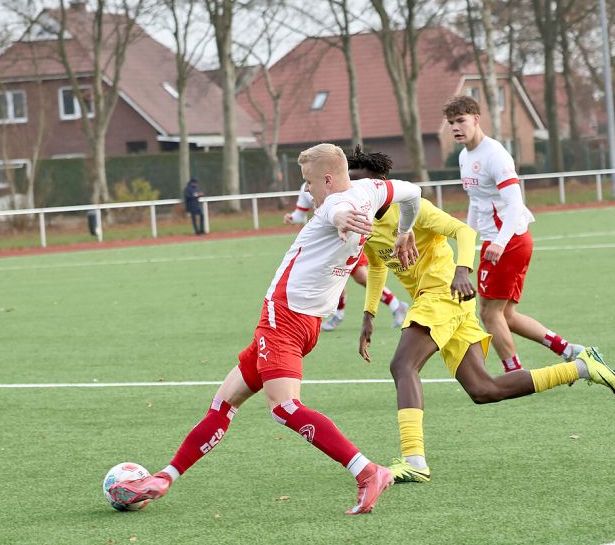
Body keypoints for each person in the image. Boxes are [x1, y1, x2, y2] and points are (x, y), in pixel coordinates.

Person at [109, 143, 425, 515]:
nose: (306, 190)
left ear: (326, 178)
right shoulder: (371, 190)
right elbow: (414, 193)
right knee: (224, 404)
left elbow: (338, 211)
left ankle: (367, 471)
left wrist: (341, 219)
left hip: (283, 319)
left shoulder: (331, 207)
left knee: (284, 408)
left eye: (308, 181)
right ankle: (165, 477)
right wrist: (405, 232)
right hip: (305, 325)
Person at [352, 150, 615, 484]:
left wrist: (462, 270)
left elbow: (464, 232)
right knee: (484, 389)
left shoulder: (412, 208)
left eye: (358, 181)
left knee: (402, 366)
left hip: (444, 293)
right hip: (442, 302)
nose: (353, 189)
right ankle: (583, 366)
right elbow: (377, 265)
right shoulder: (365, 223)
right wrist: (369, 314)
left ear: (379, 183)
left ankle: (414, 460)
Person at [444, 96, 587, 373]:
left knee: (489, 312)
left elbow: (515, 204)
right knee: (505, 314)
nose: (455, 127)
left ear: (476, 118)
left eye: (460, 120)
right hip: (498, 241)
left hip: (508, 241)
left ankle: (514, 372)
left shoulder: (495, 155)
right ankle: (569, 350)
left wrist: (498, 242)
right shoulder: (465, 156)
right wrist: (467, 238)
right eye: (451, 123)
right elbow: (476, 201)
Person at [283, 148, 410, 331]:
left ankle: (395, 306)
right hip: (327, 244)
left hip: (347, 239)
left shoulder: (341, 187)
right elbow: (299, 215)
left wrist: (340, 218)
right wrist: (291, 218)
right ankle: (338, 314)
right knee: (333, 279)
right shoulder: (305, 190)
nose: (309, 184)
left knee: (361, 277)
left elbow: (339, 207)